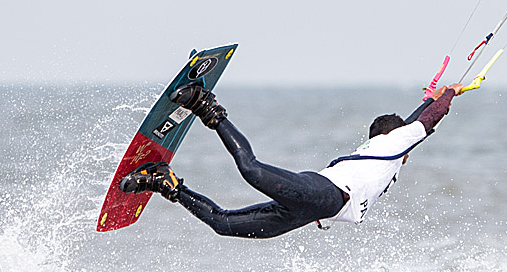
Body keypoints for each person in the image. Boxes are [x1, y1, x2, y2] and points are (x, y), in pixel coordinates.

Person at [119, 80, 464, 238]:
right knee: (251, 169)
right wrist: (449, 93)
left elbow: (419, 120)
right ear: (390, 137)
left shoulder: (386, 152)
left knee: (223, 225)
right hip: (323, 194)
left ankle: (167, 183)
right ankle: (205, 105)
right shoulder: (391, 145)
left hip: (310, 209)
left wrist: (429, 100)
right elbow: (427, 120)